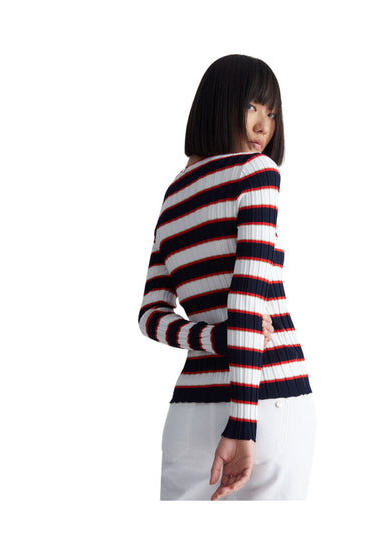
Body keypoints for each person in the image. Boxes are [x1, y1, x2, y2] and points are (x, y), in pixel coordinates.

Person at [139, 54, 315, 500]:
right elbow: (247, 299)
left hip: (188, 415)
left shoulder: (172, 197)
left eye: (271, 113)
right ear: (219, 104)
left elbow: (150, 316)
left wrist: (214, 339)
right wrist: (242, 422)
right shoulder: (256, 173)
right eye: (252, 106)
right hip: (267, 399)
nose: (262, 126)